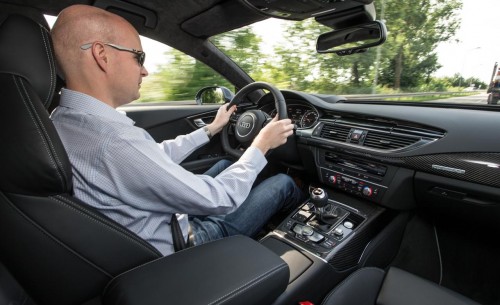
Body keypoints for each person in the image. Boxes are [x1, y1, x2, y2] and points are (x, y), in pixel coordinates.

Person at [50, 4, 304, 256]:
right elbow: (218, 198)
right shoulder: (113, 141)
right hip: (183, 244)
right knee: (283, 183)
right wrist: (261, 145)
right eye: (139, 57)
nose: (145, 70)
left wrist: (211, 129)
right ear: (102, 55)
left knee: (227, 163)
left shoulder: (65, 121)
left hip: (152, 223)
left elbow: (151, 157)